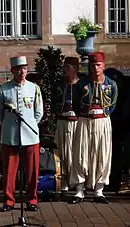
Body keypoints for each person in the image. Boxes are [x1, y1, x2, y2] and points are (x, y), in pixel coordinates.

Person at [0, 56, 43, 212]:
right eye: (18, 69)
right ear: (12, 71)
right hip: (10, 135)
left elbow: (38, 112)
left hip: (30, 135)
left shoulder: (34, 88)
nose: (22, 72)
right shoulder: (3, 89)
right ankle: (8, 201)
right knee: (9, 171)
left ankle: (32, 200)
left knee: (32, 171)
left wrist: (30, 124)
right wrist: (8, 126)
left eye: (24, 68)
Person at [69, 52, 118, 204]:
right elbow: (76, 103)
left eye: (98, 65)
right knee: (81, 154)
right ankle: (79, 189)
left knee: (102, 154)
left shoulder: (111, 84)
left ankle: (99, 190)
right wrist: (82, 114)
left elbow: (113, 104)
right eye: (93, 65)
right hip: (84, 120)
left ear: (103, 66)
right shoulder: (81, 84)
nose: (96, 68)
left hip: (102, 120)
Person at [53, 57, 80, 194]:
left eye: (67, 67)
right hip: (62, 122)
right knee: (62, 153)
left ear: (75, 69)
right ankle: (63, 181)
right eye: (64, 67)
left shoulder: (81, 85)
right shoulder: (59, 85)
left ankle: (78, 182)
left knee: (77, 153)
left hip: (77, 124)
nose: (64, 70)